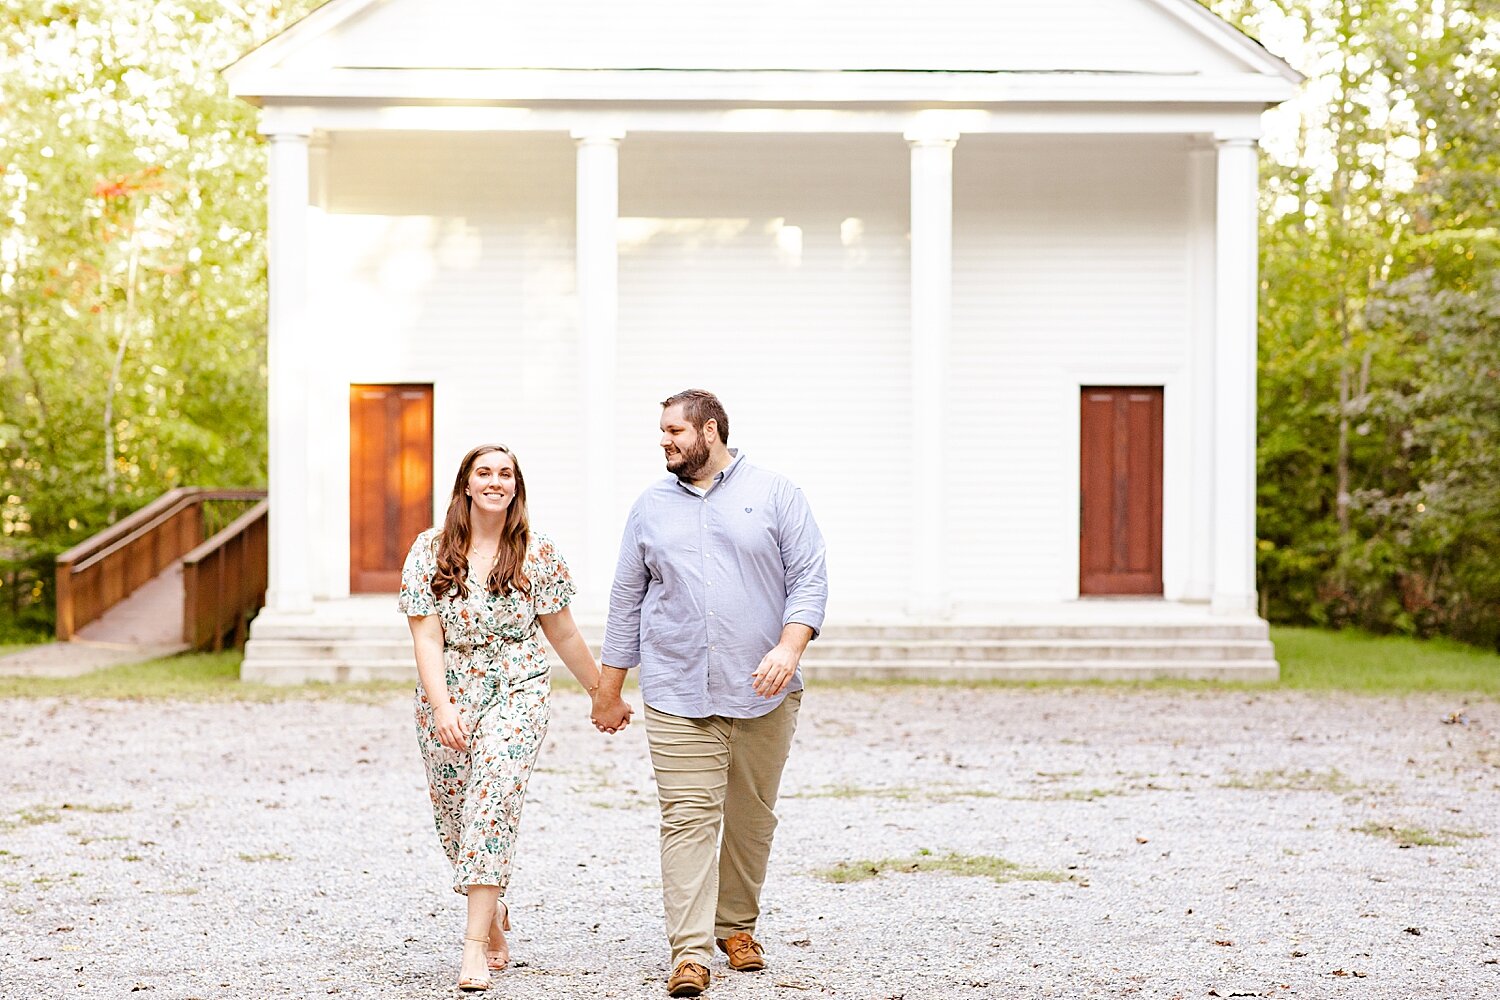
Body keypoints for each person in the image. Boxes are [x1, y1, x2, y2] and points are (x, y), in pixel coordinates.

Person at [592, 390, 828, 998]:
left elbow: (809, 579)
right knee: (688, 819)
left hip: (763, 690)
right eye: (662, 432)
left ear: (711, 430)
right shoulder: (649, 507)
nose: (665, 441)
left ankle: (736, 927)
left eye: (675, 431)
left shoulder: (777, 494)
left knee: (751, 818)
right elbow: (626, 597)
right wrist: (608, 688)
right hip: (675, 690)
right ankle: (690, 952)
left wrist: (789, 648)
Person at [400, 443, 632, 992]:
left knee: (492, 804)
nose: (495, 481)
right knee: (456, 821)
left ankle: (473, 947)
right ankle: (494, 913)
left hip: (517, 689)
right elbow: (425, 635)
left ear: (516, 487)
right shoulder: (429, 550)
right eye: (485, 472)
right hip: (448, 691)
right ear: (466, 485)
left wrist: (603, 692)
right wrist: (442, 707)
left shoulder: (538, 553)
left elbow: (564, 633)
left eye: (506, 474)